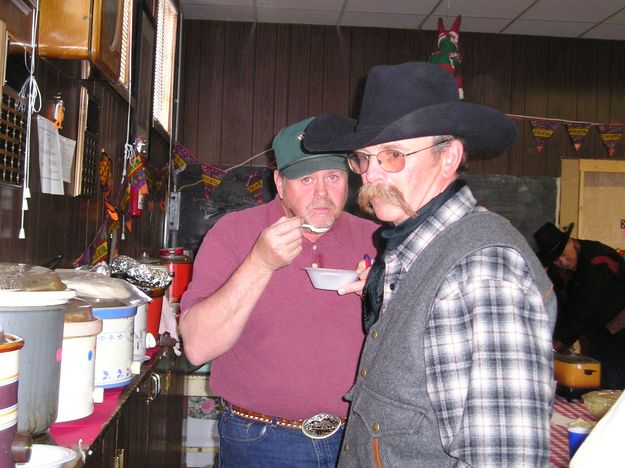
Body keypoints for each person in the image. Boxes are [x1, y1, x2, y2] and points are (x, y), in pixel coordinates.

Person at [303, 61, 557, 467]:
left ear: (448, 157)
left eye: (393, 155)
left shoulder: (483, 270)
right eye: (363, 158)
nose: (371, 175)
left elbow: (505, 457)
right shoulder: (411, 249)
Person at [179, 117, 378, 468]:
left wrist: (379, 298)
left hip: (360, 438)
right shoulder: (234, 233)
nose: (321, 193)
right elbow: (197, 347)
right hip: (261, 441)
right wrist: (259, 263)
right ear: (280, 183)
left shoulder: (377, 239)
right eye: (306, 179)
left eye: (333, 177)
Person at [534, 221, 625, 389]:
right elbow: (560, 307)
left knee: (616, 388)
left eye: (563, 253)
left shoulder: (600, 261)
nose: (563, 261)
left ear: (571, 242)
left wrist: (560, 343)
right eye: (556, 260)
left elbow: (586, 307)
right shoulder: (558, 271)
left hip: (620, 334)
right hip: (598, 336)